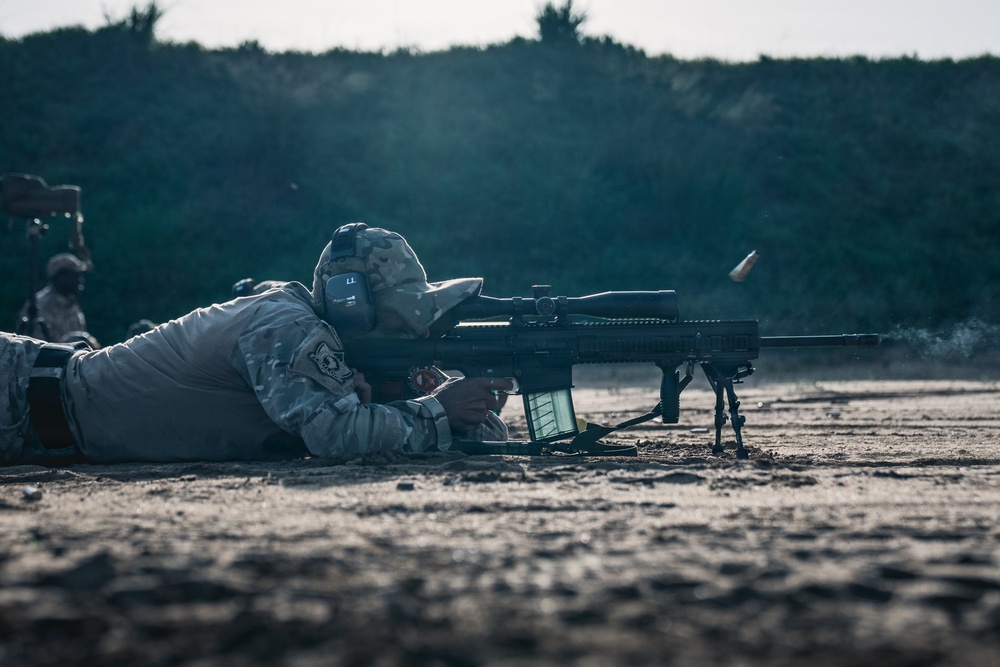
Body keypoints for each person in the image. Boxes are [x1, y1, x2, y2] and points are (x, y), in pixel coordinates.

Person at [1, 225, 510, 466]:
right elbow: (335, 435)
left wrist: (463, 408)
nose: (411, 331)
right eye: (400, 315)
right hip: (19, 393)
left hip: (37, 423)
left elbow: (480, 435)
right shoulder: (284, 326)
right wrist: (437, 411)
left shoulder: (329, 341)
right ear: (351, 304)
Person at [16, 225, 95, 345]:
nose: (80, 280)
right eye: (75, 275)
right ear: (59, 277)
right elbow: (34, 351)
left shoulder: (72, 306)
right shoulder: (38, 307)